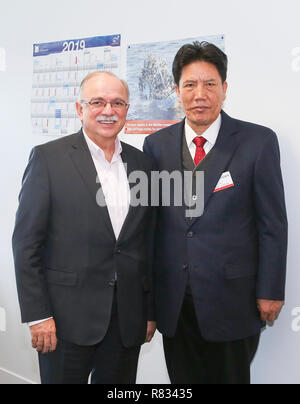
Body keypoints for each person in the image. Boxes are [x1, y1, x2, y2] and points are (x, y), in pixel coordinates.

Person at [143, 41, 288, 384]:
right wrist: (148, 302)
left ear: (224, 89)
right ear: (177, 91)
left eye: (210, 84)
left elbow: (272, 225)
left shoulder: (258, 142)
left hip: (233, 300)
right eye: (190, 85)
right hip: (175, 301)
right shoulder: (156, 146)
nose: (200, 94)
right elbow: (151, 228)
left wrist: (271, 289)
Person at [12, 71, 156, 384]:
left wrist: (148, 310)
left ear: (127, 110)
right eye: (98, 102)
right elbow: (26, 244)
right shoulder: (48, 159)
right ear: (80, 109)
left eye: (117, 103)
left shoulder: (142, 164)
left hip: (126, 321)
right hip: (64, 321)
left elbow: (146, 244)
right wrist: (38, 315)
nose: (109, 110)